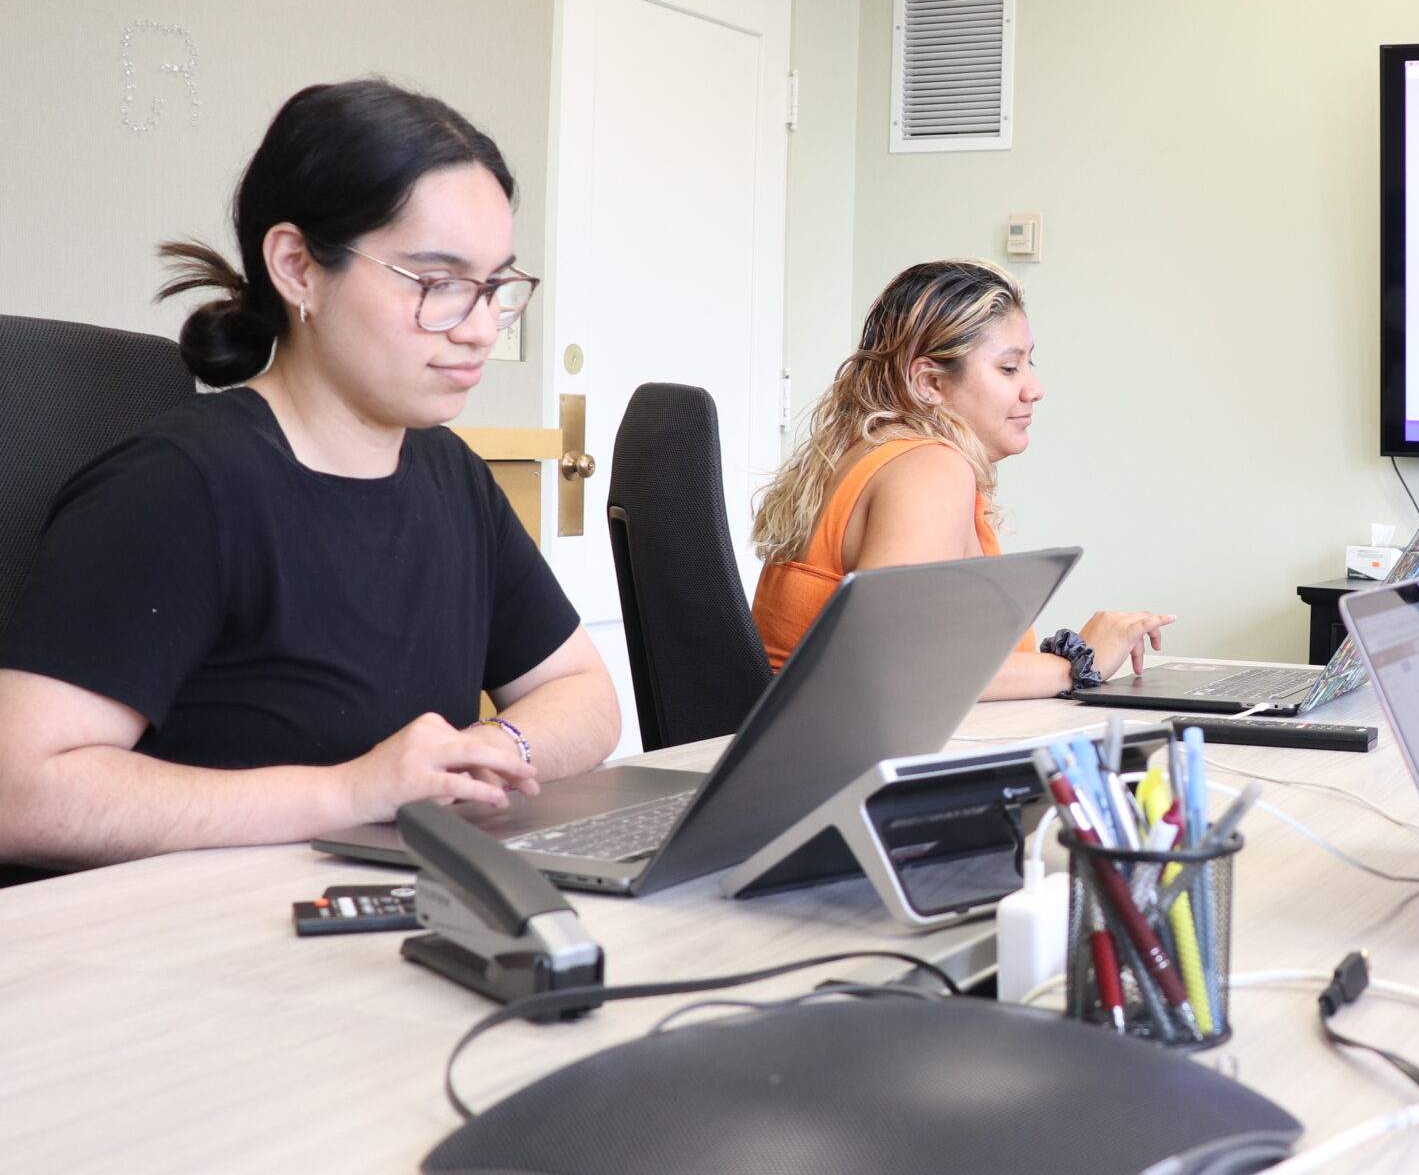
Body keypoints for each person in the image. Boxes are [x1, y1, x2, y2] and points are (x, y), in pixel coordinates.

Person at [0, 81, 621, 870]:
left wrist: (479, 753)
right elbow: (20, 791)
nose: (477, 329)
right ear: (297, 267)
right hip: (196, 944)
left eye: (495, 287)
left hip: (388, 908)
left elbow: (586, 695)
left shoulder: (448, 472)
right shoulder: (178, 486)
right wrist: (350, 791)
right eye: (437, 284)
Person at [750, 260, 1173, 698]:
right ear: (930, 382)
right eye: (1010, 369)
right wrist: (1080, 665)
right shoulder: (928, 467)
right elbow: (901, 666)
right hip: (838, 757)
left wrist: (1081, 652)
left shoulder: (863, 455)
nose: (1035, 388)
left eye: (1030, 364)